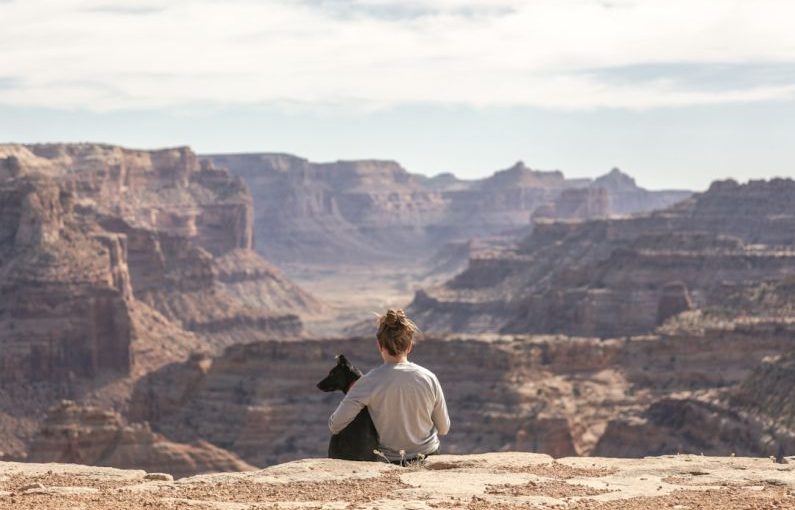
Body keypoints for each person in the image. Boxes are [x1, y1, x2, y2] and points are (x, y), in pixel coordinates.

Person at [328, 309, 450, 464]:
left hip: (391, 462)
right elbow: (444, 428)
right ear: (410, 346)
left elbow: (335, 425)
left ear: (379, 345)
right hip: (428, 456)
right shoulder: (429, 378)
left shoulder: (367, 382)